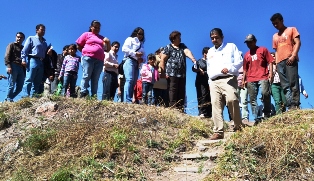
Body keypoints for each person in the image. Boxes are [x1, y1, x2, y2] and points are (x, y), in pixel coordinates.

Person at [206, 28, 243, 140]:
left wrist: (230, 68)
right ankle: (218, 131)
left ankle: (238, 127)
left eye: (217, 37)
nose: (214, 40)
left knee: (232, 100)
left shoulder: (231, 46)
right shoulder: (210, 52)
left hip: (228, 78)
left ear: (222, 37)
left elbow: (239, 61)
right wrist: (209, 82)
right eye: (212, 38)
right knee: (215, 105)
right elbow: (209, 68)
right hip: (214, 81)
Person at [160, 31, 197, 111]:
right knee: (173, 90)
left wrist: (193, 59)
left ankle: (180, 108)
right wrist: (163, 73)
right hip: (171, 73)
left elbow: (187, 51)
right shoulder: (168, 47)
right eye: (178, 37)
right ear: (173, 39)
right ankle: (173, 108)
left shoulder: (182, 46)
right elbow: (162, 59)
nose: (180, 39)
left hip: (182, 74)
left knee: (181, 91)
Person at [270, 13, 301, 110]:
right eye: (273, 24)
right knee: (284, 85)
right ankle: (289, 104)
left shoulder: (291, 29)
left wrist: (294, 55)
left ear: (282, 21)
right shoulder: (275, 36)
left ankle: (295, 103)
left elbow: (298, 42)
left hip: (290, 59)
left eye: (277, 23)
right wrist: (277, 62)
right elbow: (276, 50)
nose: (275, 25)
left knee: (293, 82)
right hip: (280, 62)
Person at [243, 34, 273, 124]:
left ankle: (267, 113)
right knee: (252, 99)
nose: (249, 44)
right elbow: (245, 69)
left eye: (251, 42)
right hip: (250, 78)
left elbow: (270, 61)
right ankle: (257, 117)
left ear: (255, 41)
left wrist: (271, 73)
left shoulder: (262, 49)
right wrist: (244, 80)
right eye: (247, 42)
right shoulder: (246, 54)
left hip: (263, 76)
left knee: (265, 93)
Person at [76, 20, 111, 98]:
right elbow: (78, 45)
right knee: (86, 75)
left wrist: (108, 42)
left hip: (99, 60)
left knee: (95, 78)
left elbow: (108, 50)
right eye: (95, 27)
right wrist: (86, 52)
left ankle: (94, 95)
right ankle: (83, 92)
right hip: (88, 58)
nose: (97, 29)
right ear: (91, 27)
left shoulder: (102, 38)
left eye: (98, 27)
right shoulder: (86, 34)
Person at [21, 24, 52, 97]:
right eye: (42, 29)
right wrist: (23, 60)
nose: (43, 31)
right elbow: (24, 50)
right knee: (29, 79)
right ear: (37, 30)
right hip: (33, 60)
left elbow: (45, 54)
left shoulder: (44, 43)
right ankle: (26, 96)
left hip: (41, 62)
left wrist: (49, 53)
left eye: (44, 30)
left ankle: (34, 97)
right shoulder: (31, 38)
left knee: (38, 81)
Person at [121, 27, 146, 103]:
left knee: (134, 82)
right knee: (129, 79)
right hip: (129, 60)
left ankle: (130, 99)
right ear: (135, 33)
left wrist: (142, 59)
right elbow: (124, 49)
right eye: (139, 33)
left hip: (137, 63)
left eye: (142, 34)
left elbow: (144, 56)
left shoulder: (142, 44)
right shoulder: (130, 39)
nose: (141, 35)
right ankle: (127, 100)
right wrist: (135, 54)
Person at [4, 32, 25, 102]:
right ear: (16, 37)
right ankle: (9, 99)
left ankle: (9, 98)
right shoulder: (11, 45)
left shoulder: (23, 48)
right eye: (18, 37)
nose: (19, 38)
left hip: (21, 68)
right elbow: (7, 56)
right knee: (11, 84)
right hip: (13, 65)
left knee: (20, 87)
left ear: (23, 39)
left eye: (21, 37)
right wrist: (9, 66)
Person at [192, 47, 212, 118]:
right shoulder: (199, 61)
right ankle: (202, 112)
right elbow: (193, 68)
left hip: (210, 81)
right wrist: (198, 70)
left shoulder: (212, 62)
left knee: (210, 97)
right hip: (201, 82)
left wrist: (205, 72)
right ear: (204, 54)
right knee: (202, 96)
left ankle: (209, 113)